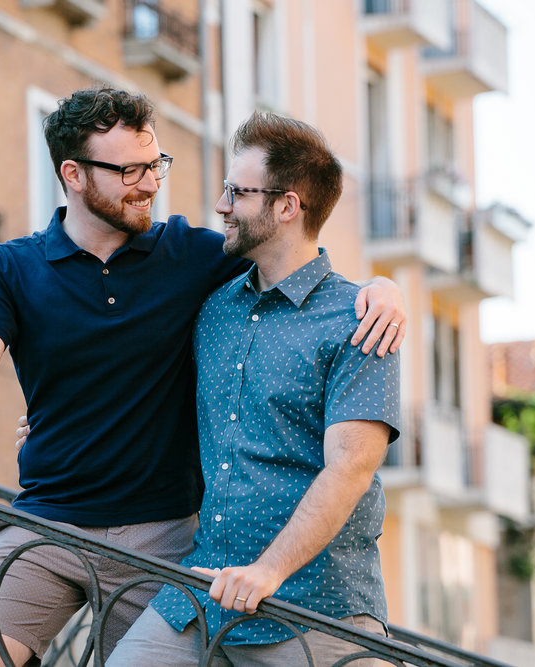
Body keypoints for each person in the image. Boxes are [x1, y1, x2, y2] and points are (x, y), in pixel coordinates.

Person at [0, 88, 405, 667]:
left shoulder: (197, 258)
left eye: (155, 165)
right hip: (47, 520)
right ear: (74, 174)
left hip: (168, 541)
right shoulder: (12, 267)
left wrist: (384, 290)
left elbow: (295, 264)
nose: (151, 183)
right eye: (130, 170)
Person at [106, 111, 399, 666]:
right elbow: (147, 388)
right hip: (199, 596)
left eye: (236, 193)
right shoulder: (214, 309)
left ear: (287, 207)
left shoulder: (359, 319)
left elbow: (351, 467)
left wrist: (269, 570)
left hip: (318, 609)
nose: (221, 206)